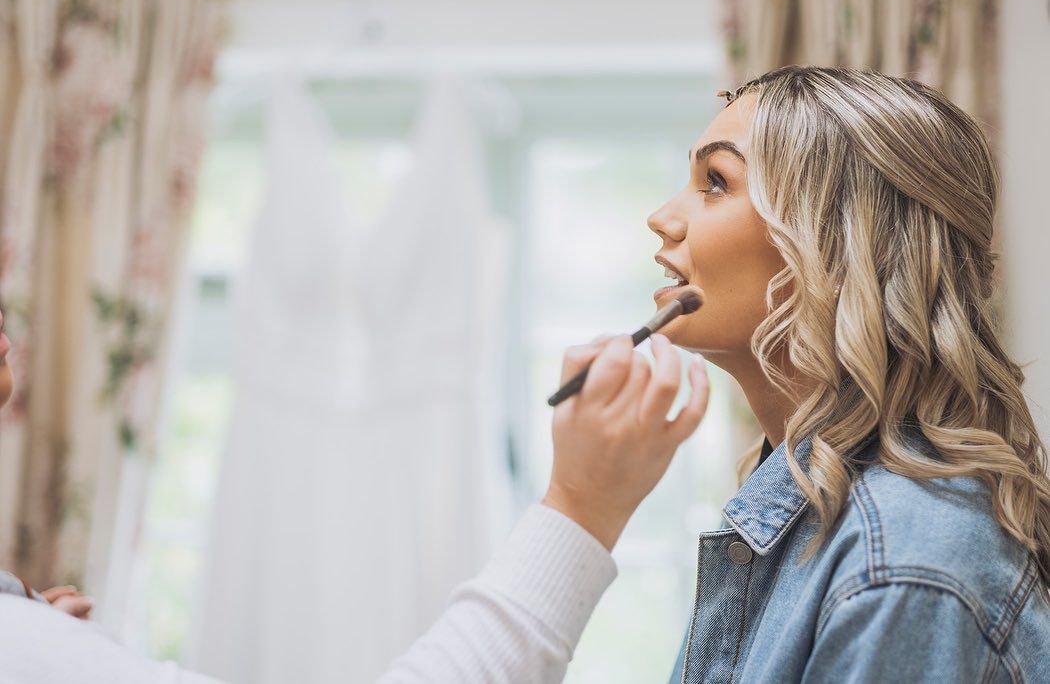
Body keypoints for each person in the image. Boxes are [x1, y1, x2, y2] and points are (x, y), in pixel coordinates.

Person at [0, 64, 1047, 683]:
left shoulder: (903, 562)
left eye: (713, 183)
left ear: (831, 246)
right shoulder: (814, 525)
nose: (663, 217)